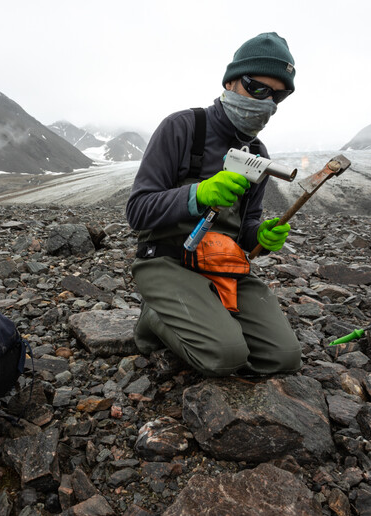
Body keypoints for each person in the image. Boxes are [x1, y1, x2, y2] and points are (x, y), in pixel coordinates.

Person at [125, 32, 302, 377]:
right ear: (231, 81)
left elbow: (246, 229)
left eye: (278, 95)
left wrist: (260, 238)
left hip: (224, 263)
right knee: (226, 356)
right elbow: (137, 211)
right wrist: (197, 195)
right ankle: (153, 316)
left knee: (284, 357)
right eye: (257, 88)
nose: (267, 102)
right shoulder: (183, 128)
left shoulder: (259, 155)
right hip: (168, 260)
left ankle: (202, 312)